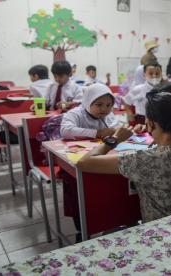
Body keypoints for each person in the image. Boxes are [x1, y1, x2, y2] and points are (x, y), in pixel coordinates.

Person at [77, 92, 171, 222]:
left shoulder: (149, 159)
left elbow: (83, 162)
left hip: (162, 229)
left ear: (151, 123)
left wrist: (114, 139)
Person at [59, 83, 119, 242]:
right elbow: (65, 130)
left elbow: (115, 127)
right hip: (77, 162)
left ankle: (111, 219)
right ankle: (83, 226)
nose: (104, 109)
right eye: (99, 105)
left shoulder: (108, 116)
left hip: (100, 159)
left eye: (108, 105)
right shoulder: (75, 114)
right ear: (87, 101)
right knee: (79, 191)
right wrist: (97, 133)